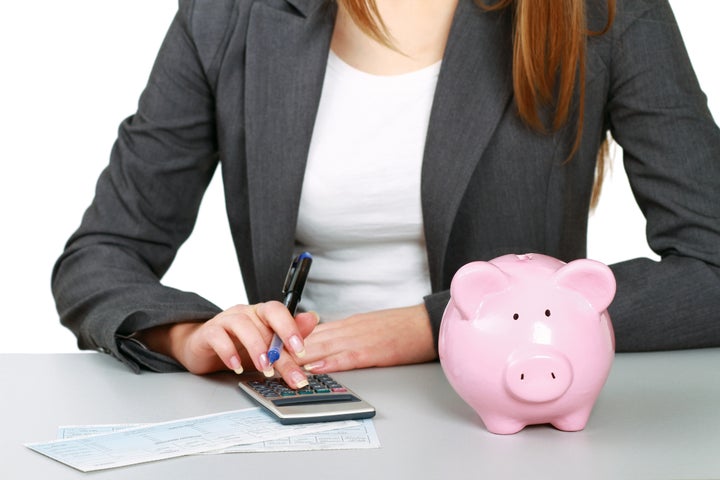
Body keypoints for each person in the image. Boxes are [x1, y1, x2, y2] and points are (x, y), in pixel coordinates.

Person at [52, 0, 720, 389]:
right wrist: (192, 335)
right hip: (303, 414)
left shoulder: (603, 11)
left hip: (510, 425)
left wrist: (433, 325)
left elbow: (712, 266)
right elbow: (102, 254)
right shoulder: (230, 14)